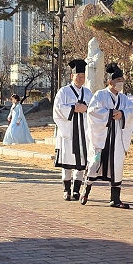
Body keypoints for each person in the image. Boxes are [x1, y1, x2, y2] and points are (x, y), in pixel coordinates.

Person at [84, 63, 133, 209]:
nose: (120, 83)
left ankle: (115, 199)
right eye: (118, 80)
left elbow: (132, 112)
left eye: (122, 80)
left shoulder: (124, 98)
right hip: (102, 137)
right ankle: (86, 189)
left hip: (117, 138)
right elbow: (92, 111)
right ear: (110, 82)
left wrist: (122, 114)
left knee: (117, 166)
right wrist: (110, 114)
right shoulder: (100, 95)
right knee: (95, 163)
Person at [53, 58, 93, 202]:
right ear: (72, 76)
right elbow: (57, 109)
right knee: (67, 161)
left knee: (81, 162)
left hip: (83, 132)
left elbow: (94, 109)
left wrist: (86, 108)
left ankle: (76, 190)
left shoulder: (88, 93)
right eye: (78, 75)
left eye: (82, 76)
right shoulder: (63, 92)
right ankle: (66, 190)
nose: (80, 78)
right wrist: (73, 108)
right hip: (69, 132)